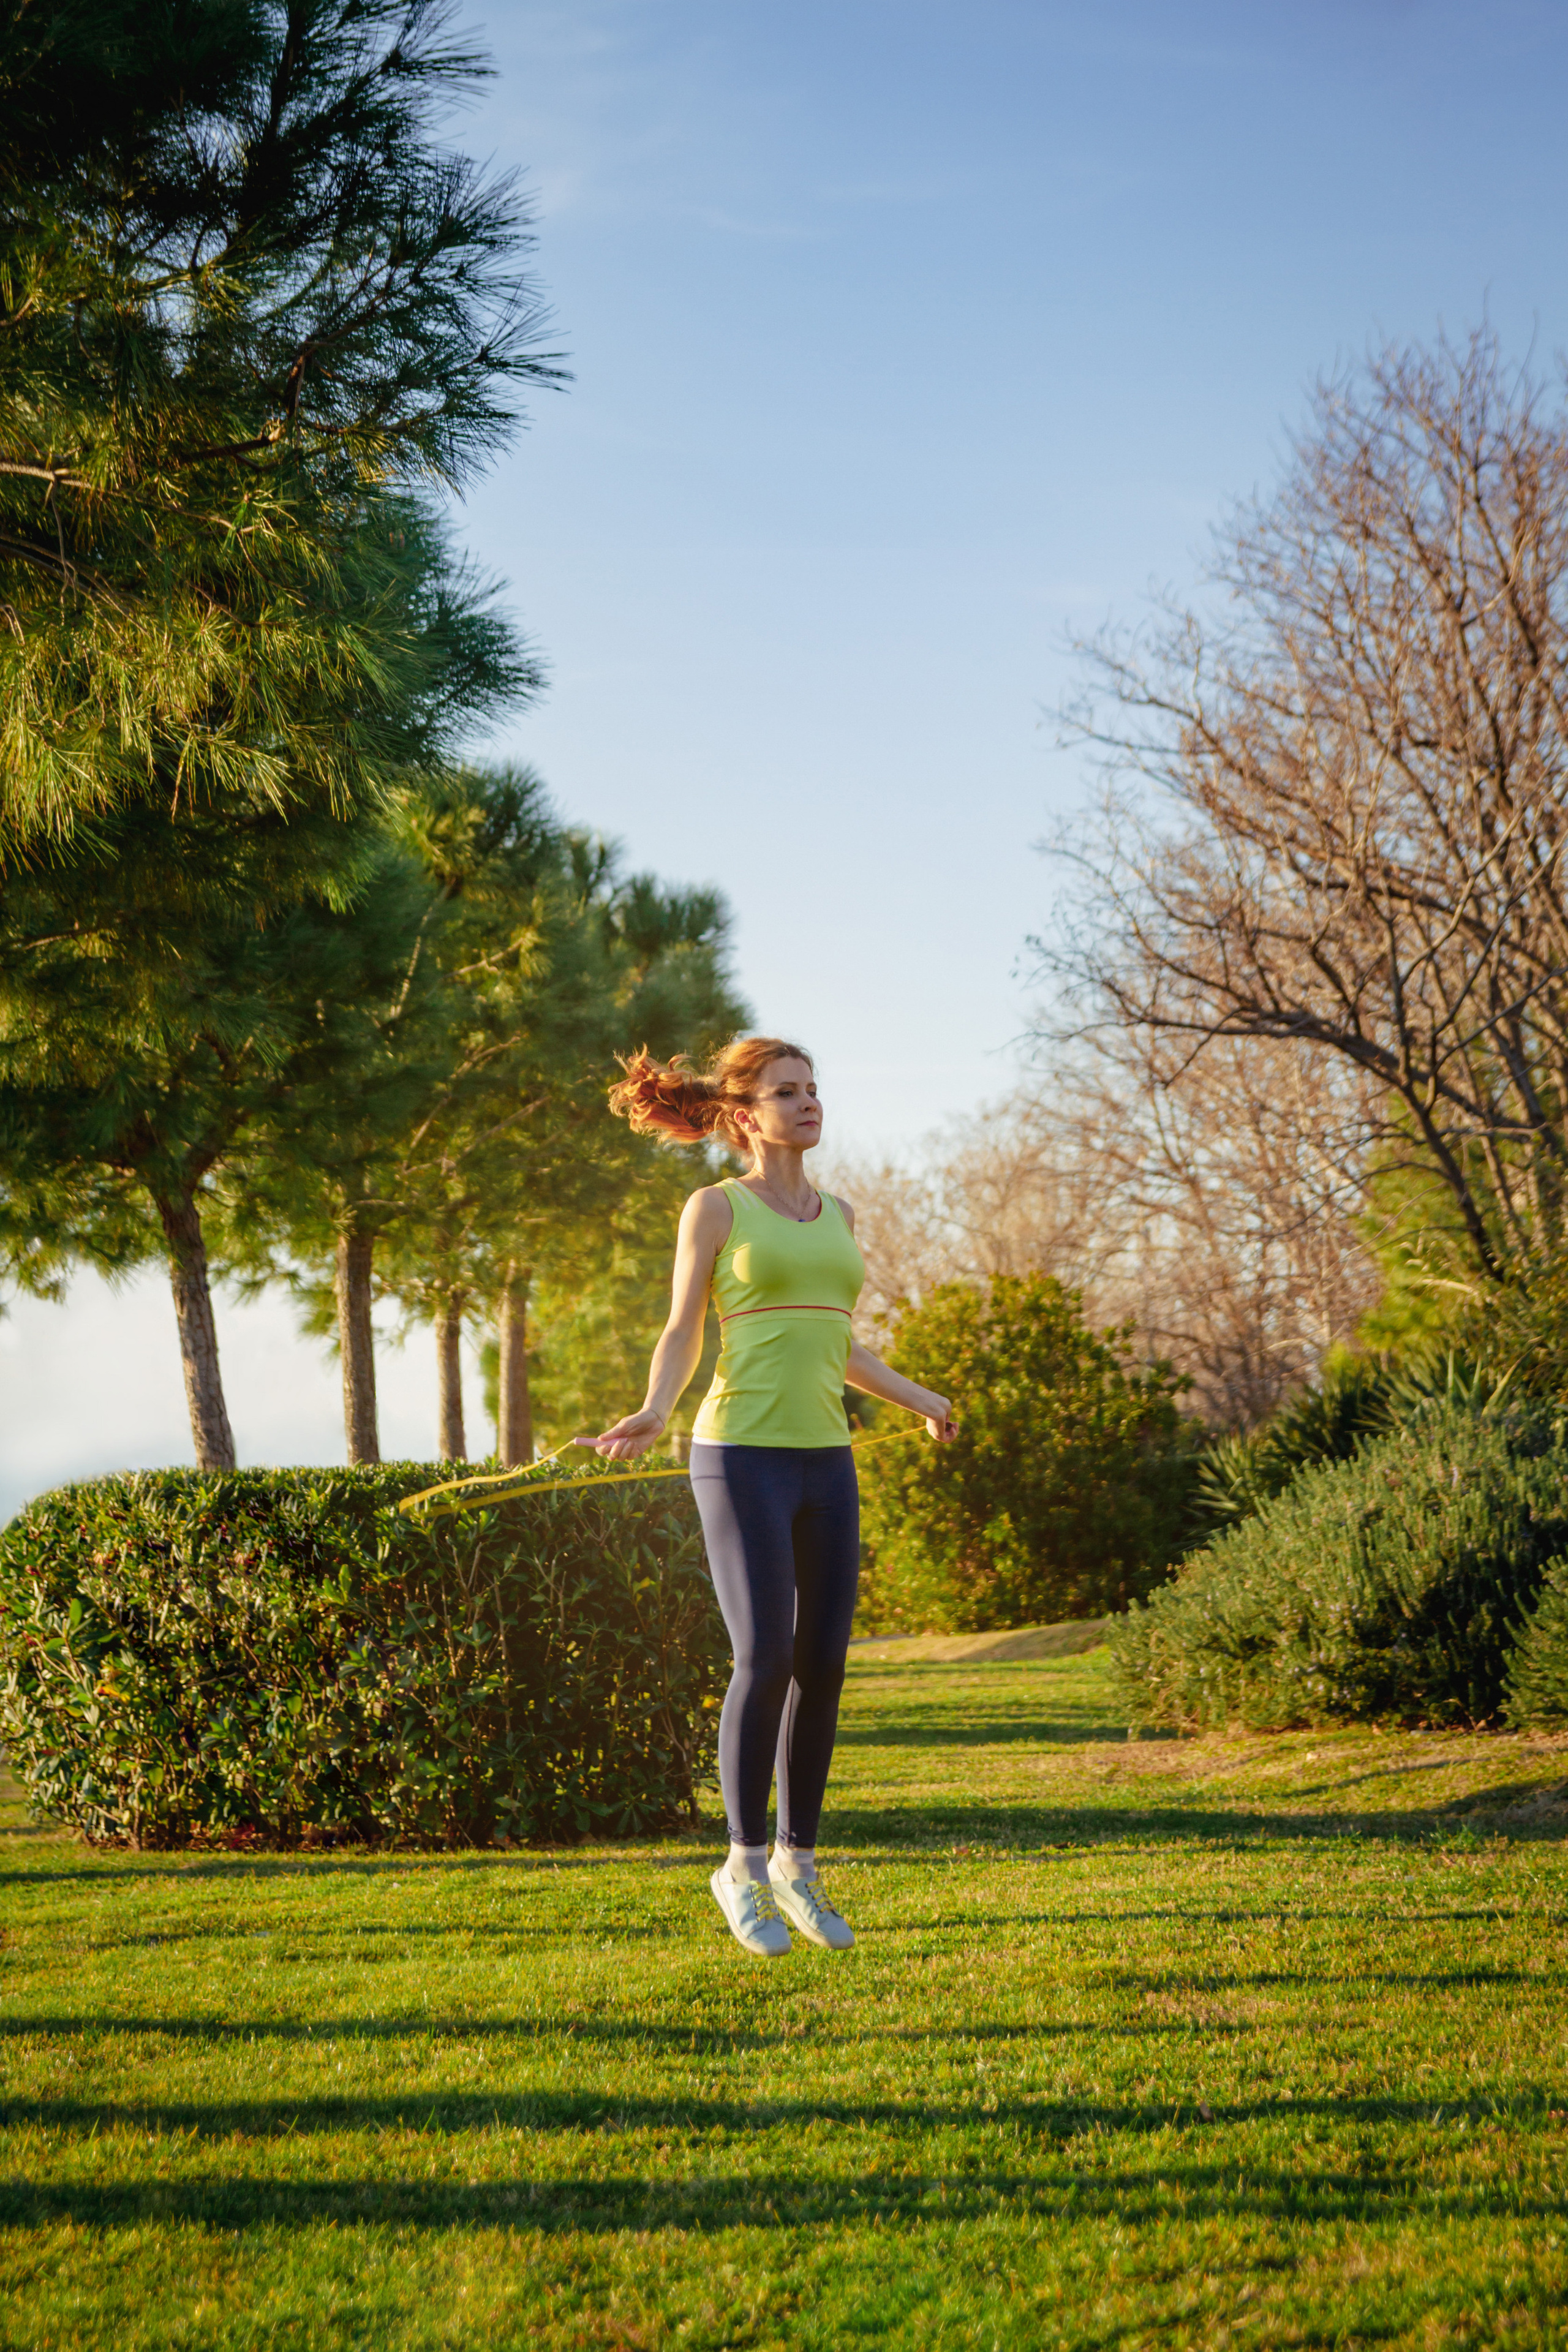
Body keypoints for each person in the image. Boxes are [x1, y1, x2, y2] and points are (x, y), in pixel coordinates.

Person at [589, 1036, 959, 1959]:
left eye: (813, 1089)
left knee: (824, 1667)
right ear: (745, 1114)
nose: (808, 1104)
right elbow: (683, 1329)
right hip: (738, 1454)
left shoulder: (838, 1214)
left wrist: (920, 1398)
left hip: (825, 1461)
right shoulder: (716, 1208)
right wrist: (653, 1407)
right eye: (787, 1092)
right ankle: (742, 1869)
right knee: (764, 1654)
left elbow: (841, 1345)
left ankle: (799, 1863)